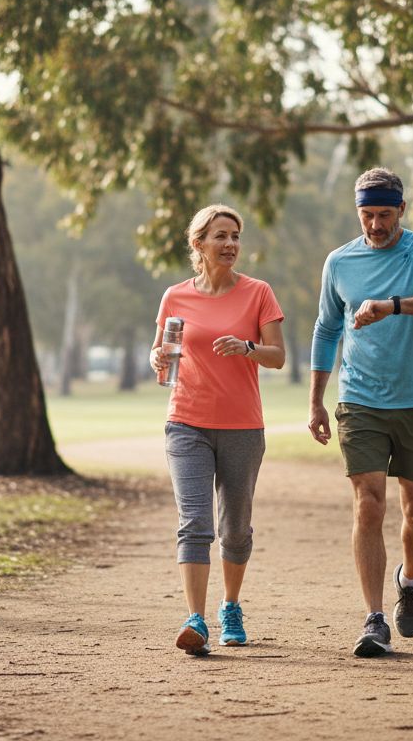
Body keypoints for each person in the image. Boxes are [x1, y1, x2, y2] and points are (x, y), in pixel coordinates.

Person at [307, 167, 413, 657]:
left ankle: (410, 579)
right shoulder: (340, 261)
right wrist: (316, 398)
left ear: (401, 209)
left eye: (383, 214)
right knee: (369, 503)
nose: (375, 225)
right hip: (360, 401)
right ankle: (374, 619)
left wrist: (392, 306)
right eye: (366, 215)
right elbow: (327, 328)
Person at [150, 204, 286, 656]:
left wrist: (248, 347)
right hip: (186, 421)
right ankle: (196, 618)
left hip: (242, 427)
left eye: (235, 237)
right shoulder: (175, 297)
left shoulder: (258, 293)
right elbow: (163, 354)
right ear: (199, 244)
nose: (230, 244)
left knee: (236, 529)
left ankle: (230, 606)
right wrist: (157, 360)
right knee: (194, 523)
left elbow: (277, 356)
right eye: (220, 236)